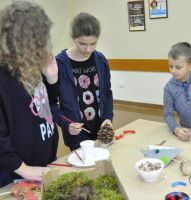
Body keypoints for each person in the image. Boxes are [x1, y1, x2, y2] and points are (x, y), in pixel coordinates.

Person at [0, 1, 59, 187]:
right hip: (15, 171)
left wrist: (52, 79)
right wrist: (23, 168)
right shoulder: (3, 75)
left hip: (41, 160)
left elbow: (44, 102)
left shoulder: (31, 62)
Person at [51, 12, 113, 150]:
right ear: (73, 38)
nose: (88, 49)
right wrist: (66, 124)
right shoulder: (59, 64)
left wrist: (108, 118)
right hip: (77, 135)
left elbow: (107, 92)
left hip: (100, 131)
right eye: (83, 44)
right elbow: (50, 103)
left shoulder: (101, 60)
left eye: (93, 43)